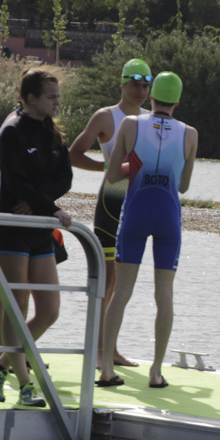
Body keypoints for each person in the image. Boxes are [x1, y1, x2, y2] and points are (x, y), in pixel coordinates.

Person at [96, 71, 198, 389]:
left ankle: (106, 371)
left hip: (136, 214)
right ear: (177, 101)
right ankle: (155, 372)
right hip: (168, 217)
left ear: (151, 96)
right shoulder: (190, 133)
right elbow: (182, 186)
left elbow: (113, 177)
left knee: (121, 293)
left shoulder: (129, 124)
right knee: (164, 295)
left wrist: (136, 164)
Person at [0, 68, 73, 408]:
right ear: (30, 98)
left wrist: (42, 205)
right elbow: (14, 183)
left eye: (58, 96)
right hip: (12, 231)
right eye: (51, 97)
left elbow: (65, 177)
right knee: (17, 307)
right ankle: (25, 384)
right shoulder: (13, 132)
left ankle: (0, 365)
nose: (56, 102)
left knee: (49, 309)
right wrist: (46, 206)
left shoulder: (52, 132)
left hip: (38, 229)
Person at [69, 58, 153, 371]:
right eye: (135, 84)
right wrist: (109, 166)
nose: (140, 91)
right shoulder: (106, 117)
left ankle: (110, 349)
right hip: (113, 196)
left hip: (139, 200)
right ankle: (98, 349)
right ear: (122, 84)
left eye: (146, 86)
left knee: (123, 281)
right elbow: (74, 155)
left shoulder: (151, 119)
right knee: (106, 279)